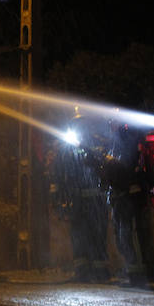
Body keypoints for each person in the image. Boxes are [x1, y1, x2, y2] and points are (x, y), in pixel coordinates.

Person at [54, 110, 111, 282]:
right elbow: (60, 173)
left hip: (93, 200)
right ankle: (83, 272)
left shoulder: (95, 144)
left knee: (96, 236)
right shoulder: (67, 149)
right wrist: (61, 198)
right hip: (78, 201)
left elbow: (102, 167)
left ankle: (99, 272)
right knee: (79, 236)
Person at [100, 122, 154, 286]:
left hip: (129, 196)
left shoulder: (127, 141)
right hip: (122, 196)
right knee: (123, 237)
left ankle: (139, 275)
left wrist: (109, 163)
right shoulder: (117, 142)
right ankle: (133, 273)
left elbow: (124, 170)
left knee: (131, 235)